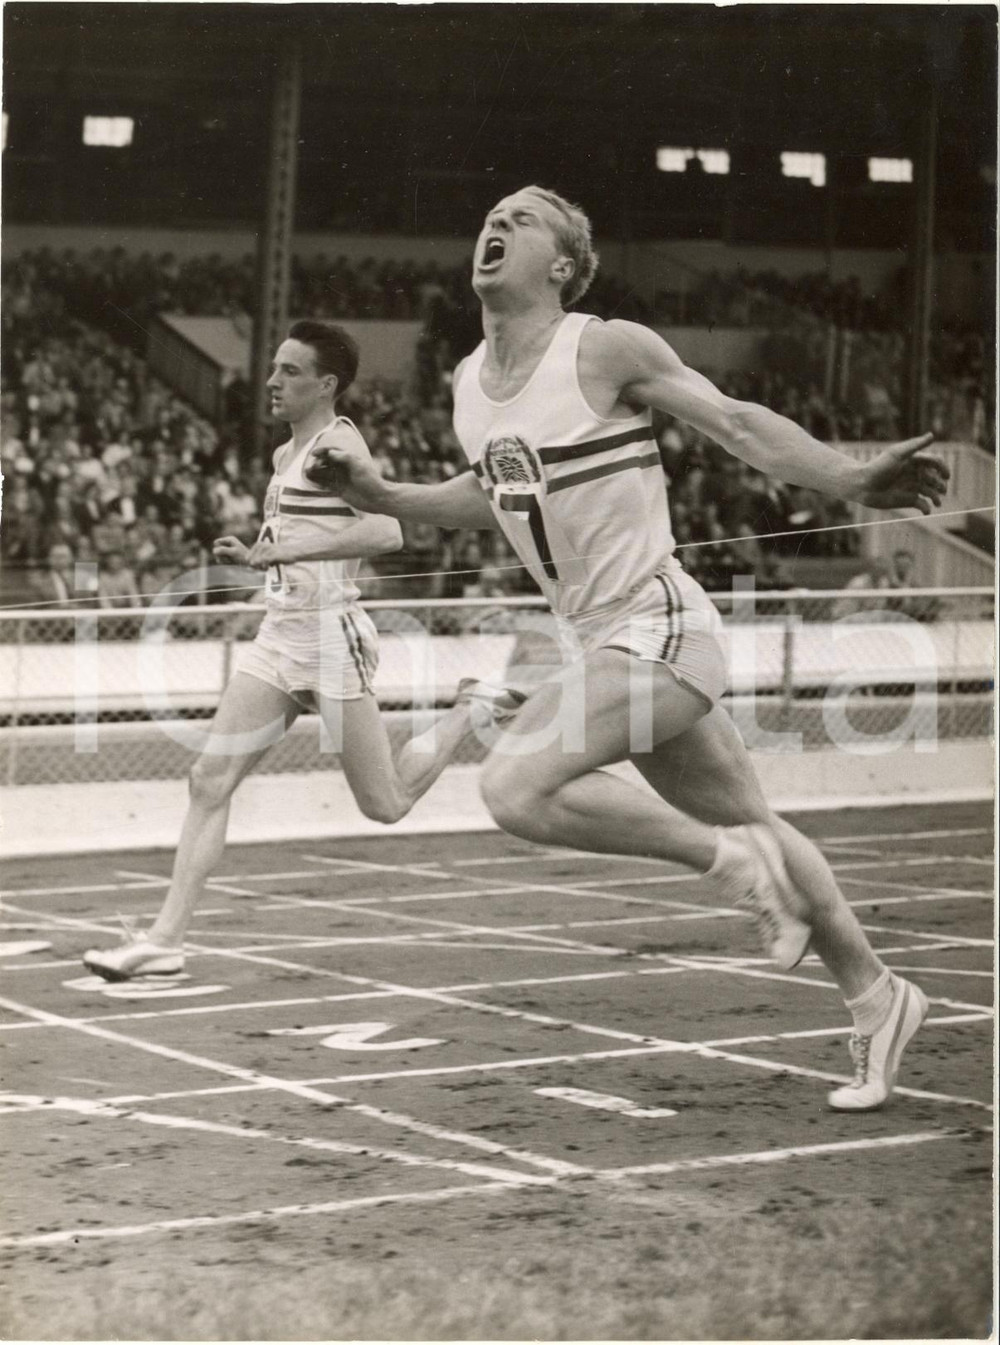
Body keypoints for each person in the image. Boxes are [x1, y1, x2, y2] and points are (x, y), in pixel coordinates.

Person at [309, 186, 951, 1112]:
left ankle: (733, 868)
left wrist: (850, 477)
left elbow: (736, 422)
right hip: (600, 638)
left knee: (515, 784)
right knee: (759, 822)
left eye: (522, 219)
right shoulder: (467, 381)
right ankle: (879, 996)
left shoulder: (604, 346)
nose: (495, 225)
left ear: (564, 264)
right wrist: (382, 496)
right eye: (491, 216)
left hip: (658, 620)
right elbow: (493, 495)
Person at [84, 320, 514, 982]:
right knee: (208, 779)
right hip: (279, 633)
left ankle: (469, 709)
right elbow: (300, 539)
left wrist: (287, 550)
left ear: (326, 384)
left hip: (328, 637)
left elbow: (386, 533)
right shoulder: (288, 453)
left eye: (289, 371)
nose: (272, 381)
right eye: (274, 368)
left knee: (385, 803)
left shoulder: (338, 444)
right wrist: (258, 553)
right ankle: (165, 940)